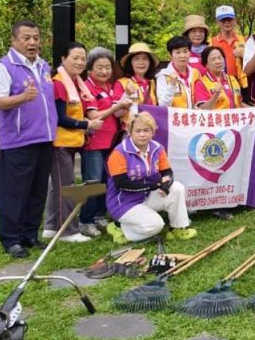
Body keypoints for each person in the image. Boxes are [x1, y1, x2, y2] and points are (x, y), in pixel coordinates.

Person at [0, 20, 57, 258]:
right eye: (26, 38)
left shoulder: (44, 66)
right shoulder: (5, 67)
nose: (32, 43)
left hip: (45, 139)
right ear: (14, 41)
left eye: (36, 38)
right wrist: (21, 97)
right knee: (15, 192)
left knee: (37, 191)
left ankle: (29, 234)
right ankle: (11, 239)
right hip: (19, 141)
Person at [105, 112, 196, 244]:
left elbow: (167, 171)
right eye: (138, 131)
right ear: (130, 132)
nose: (142, 134)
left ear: (153, 132)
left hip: (146, 195)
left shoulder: (157, 148)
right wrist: (152, 186)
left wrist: (166, 183)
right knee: (156, 226)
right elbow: (121, 183)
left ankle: (178, 228)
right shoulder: (119, 152)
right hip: (124, 202)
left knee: (177, 187)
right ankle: (118, 227)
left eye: (146, 130)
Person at [44, 42, 99, 243]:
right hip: (60, 143)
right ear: (63, 59)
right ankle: (68, 231)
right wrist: (87, 124)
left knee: (57, 185)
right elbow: (60, 118)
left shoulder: (76, 82)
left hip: (70, 142)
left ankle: (50, 227)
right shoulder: (59, 83)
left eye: (83, 58)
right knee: (66, 186)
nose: (79, 62)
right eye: (75, 58)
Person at [80, 48, 131, 238]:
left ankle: (100, 215)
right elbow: (93, 115)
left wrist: (124, 105)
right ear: (90, 69)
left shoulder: (110, 87)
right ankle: (85, 220)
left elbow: (117, 113)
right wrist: (117, 106)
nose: (104, 71)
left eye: (107, 67)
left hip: (111, 142)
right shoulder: (87, 87)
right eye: (99, 67)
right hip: (93, 143)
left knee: (106, 180)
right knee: (93, 181)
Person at [194, 45, 246, 109]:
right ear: (206, 64)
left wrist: (254, 108)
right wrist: (216, 94)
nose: (218, 62)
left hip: (235, 117)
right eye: (213, 59)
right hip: (216, 118)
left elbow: (239, 103)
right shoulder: (201, 83)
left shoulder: (232, 79)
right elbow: (204, 109)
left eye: (220, 58)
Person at [156, 36, 202, 108]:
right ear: (170, 55)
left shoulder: (196, 73)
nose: (182, 55)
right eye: (178, 52)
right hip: (174, 118)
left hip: (193, 117)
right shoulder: (163, 76)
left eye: (185, 51)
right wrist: (172, 85)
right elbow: (162, 105)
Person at [210, 5, 246, 80]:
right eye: (223, 20)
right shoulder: (211, 42)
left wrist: (245, 55)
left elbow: (254, 63)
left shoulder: (245, 40)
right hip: (220, 82)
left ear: (235, 21)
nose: (227, 22)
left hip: (241, 83)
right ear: (217, 22)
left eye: (229, 19)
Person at [118, 42, 158, 107]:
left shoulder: (153, 83)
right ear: (130, 62)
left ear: (150, 62)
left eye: (145, 58)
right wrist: (127, 95)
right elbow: (116, 113)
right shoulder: (121, 83)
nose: (141, 62)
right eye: (136, 58)